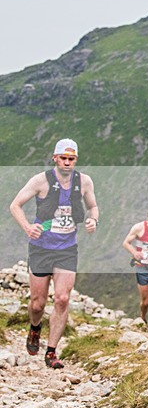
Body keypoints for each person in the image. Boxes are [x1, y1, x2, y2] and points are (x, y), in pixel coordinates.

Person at [9, 139, 99, 369]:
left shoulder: (84, 182)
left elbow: (93, 207)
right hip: (41, 248)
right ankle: (35, 328)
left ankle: (51, 352)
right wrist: (28, 228)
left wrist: (93, 220)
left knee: (62, 298)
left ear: (76, 159)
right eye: (63, 158)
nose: (67, 163)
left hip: (67, 249)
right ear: (55, 158)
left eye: (71, 159)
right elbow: (15, 205)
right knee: (38, 303)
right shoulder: (40, 181)